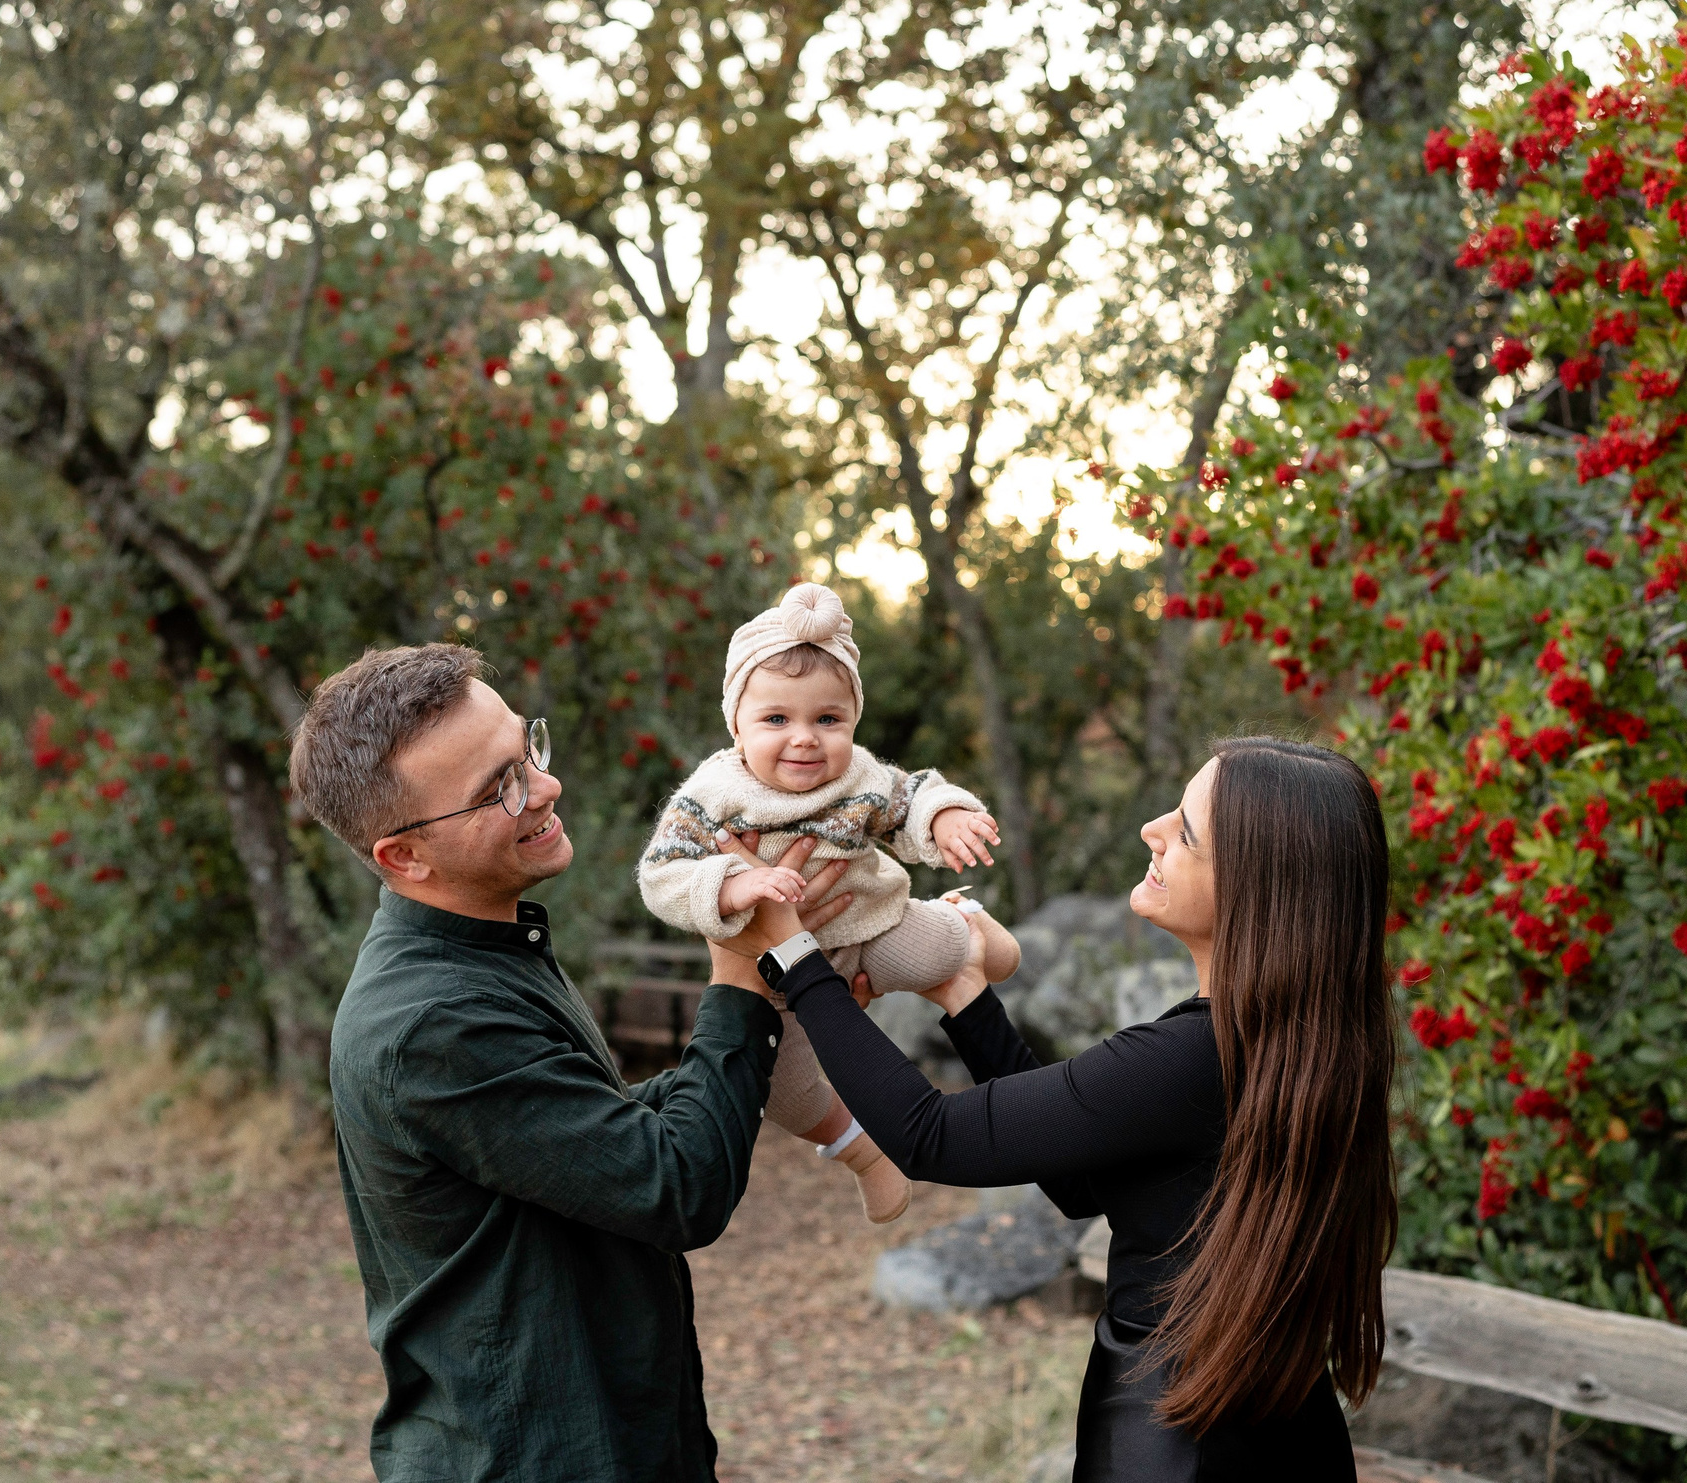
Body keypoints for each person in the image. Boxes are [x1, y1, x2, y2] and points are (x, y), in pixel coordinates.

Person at [736, 737, 1397, 1480]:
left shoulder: (1188, 1056)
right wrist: (966, 998)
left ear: (1255, 887)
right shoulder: (1306, 1040)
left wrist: (794, 959)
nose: (1152, 828)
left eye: (1184, 830)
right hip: (1278, 1433)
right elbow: (1087, 1178)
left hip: (1174, 1443)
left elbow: (931, 1135)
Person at [295, 643, 855, 1483]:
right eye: (499, 788)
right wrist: (739, 974)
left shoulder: (489, 949)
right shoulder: (433, 1023)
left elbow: (591, 1133)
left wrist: (777, 1018)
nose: (545, 787)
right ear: (404, 856)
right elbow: (676, 1185)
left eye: (528, 750)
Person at [636, 581, 1018, 1223]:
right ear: (737, 723)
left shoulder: (859, 775)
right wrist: (733, 886)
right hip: (777, 966)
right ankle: (864, 1151)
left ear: (853, 720)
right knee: (781, 1092)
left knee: (942, 954)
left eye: (828, 719)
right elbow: (661, 873)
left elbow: (910, 794)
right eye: (777, 719)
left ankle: (967, 930)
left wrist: (946, 814)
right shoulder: (712, 795)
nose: (806, 739)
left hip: (870, 927)